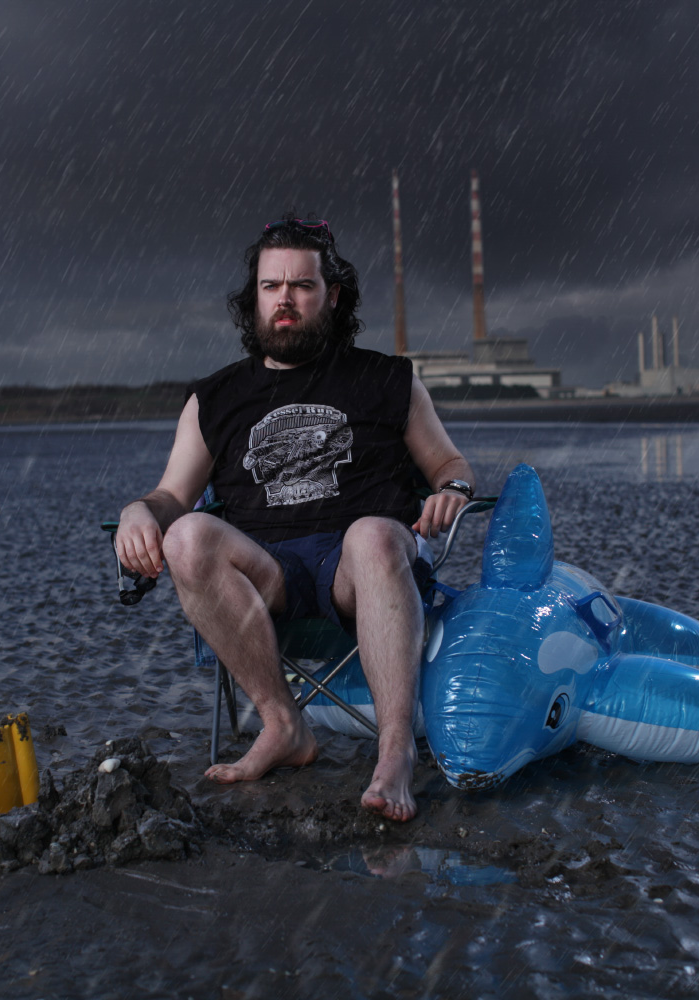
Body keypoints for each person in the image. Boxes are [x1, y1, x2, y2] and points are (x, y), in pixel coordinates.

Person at [114, 216, 476, 822]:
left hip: (362, 567)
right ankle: (284, 725)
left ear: (331, 296)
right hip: (267, 573)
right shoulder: (215, 397)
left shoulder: (388, 379)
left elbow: (447, 462)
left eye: (301, 286)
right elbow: (170, 496)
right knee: (186, 536)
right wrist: (137, 512)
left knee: (373, 534)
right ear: (252, 298)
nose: (285, 299)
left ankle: (395, 754)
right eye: (270, 286)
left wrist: (454, 488)